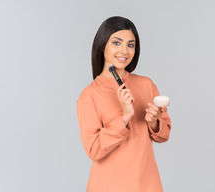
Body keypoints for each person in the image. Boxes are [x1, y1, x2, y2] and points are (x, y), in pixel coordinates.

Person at [77, 16, 171, 192]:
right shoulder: (89, 95)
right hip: (107, 186)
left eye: (130, 44)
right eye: (116, 43)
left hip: (147, 184)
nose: (124, 51)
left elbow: (164, 135)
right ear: (102, 44)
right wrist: (124, 117)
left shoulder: (146, 84)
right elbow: (93, 150)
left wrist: (153, 122)